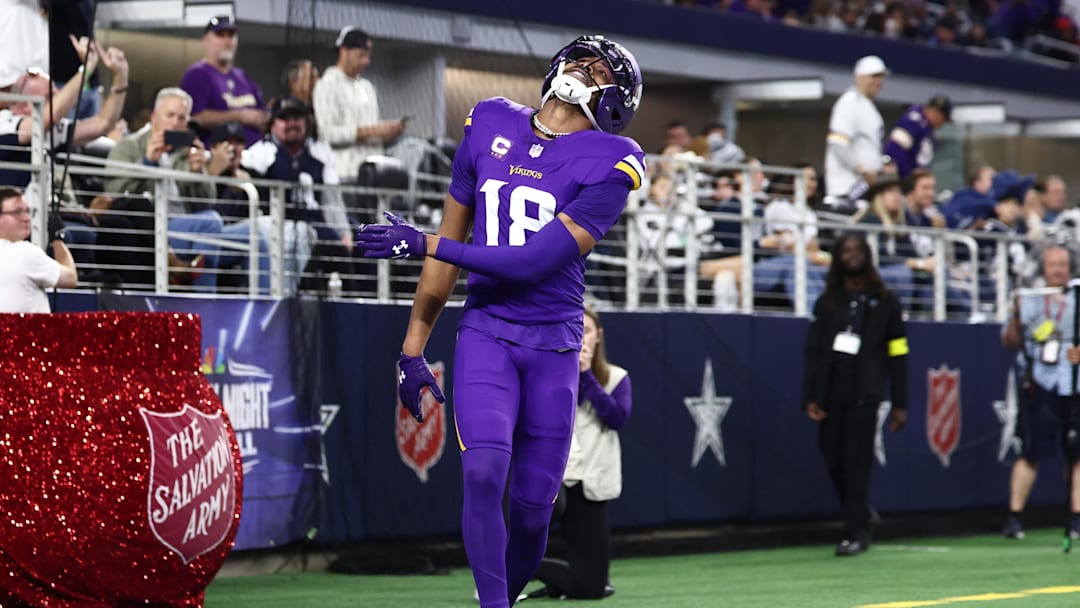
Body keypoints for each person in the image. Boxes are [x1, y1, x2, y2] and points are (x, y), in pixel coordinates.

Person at [354, 35, 644, 608]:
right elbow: (449, 246)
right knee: (483, 473)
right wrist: (412, 349)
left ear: (617, 102)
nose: (582, 70)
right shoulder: (489, 121)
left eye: (599, 71)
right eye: (579, 59)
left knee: (533, 512)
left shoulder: (613, 159)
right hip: (487, 331)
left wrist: (423, 241)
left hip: (553, 345)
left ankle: (503, 599)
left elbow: (530, 261)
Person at [802, 233, 909, 556]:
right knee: (832, 457)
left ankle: (855, 532)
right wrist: (810, 397)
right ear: (837, 257)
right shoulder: (827, 302)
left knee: (856, 462)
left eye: (858, 250)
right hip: (831, 394)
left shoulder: (886, 302)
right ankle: (860, 512)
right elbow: (813, 351)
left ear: (868, 255)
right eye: (846, 251)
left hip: (865, 393)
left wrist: (900, 402)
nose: (852, 255)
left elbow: (898, 353)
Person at [527, 305, 631, 600]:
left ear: (598, 336)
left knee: (593, 587)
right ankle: (500, 568)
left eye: (585, 331)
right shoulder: (546, 373)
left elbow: (617, 418)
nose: (580, 338)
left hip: (590, 483)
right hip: (554, 476)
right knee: (531, 521)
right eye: (574, 331)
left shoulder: (616, 377)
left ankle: (510, 567)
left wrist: (586, 376)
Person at [1000, 244, 1080, 539]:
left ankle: (1076, 517)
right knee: (1030, 450)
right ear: (1043, 268)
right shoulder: (1031, 298)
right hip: (1040, 381)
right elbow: (1009, 342)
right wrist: (1015, 315)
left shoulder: (1077, 298)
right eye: (1052, 264)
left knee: (1076, 453)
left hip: (1074, 382)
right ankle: (1015, 517)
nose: (1057, 270)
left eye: (1062, 264)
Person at [312, 26, 406, 181]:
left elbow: (371, 131)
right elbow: (328, 134)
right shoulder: (327, 84)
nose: (366, 61)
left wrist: (388, 131)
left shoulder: (367, 87)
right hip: (344, 173)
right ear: (344, 52)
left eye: (368, 56)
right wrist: (374, 131)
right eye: (361, 55)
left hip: (375, 172)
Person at [180, 15, 267, 146]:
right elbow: (194, 118)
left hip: (255, 153)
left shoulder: (243, 76)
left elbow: (262, 113)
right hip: (215, 154)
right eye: (220, 35)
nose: (227, 41)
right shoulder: (197, 74)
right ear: (206, 40)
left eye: (231, 36)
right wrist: (239, 116)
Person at [824, 55, 888, 208]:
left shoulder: (867, 105)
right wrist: (863, 170)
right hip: (848, 190)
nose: (879, 81)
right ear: (859, 77)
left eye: (881, 77)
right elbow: (837, 142)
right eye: (874, 76)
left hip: (865, 190)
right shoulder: (849, 102)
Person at [0, 187, 77, 313]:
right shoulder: (24, 252)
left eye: (27, 211)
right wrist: (58, 239)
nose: (26, 218)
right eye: (17, 212)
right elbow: (70, 278)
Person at [882, 95, 951, 177]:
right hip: (905, 179)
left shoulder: (924, 125)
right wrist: (909, 173)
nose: (942, 124)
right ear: (936, 113)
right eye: (943, 119)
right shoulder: (913, 122)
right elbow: (894, 148)